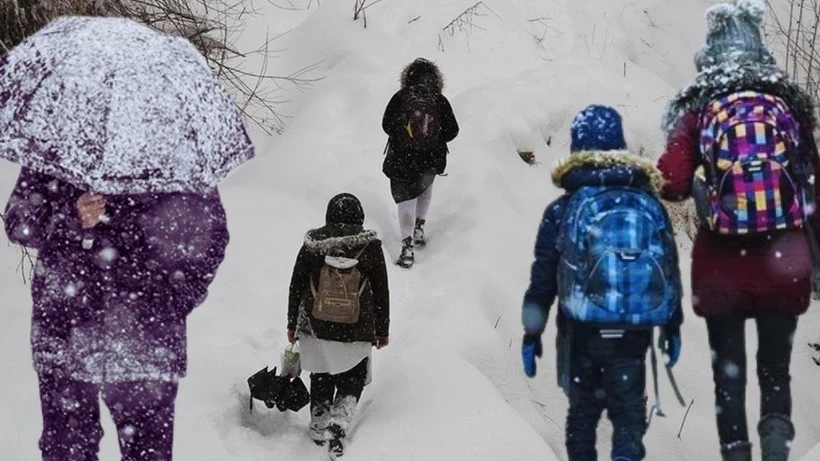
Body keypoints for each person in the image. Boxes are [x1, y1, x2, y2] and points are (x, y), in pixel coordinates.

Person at [657, 1, 820, 460]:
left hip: (720, 266)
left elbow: (670, 181)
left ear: (711, 50)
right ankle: (775, 448)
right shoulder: (786, 108)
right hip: (784, 263)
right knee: (775, 371)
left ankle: (735, 453)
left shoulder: (701, 109)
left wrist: (702, 186)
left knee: (729, 376)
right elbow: (813, 189)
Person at [4, 168, 229, 461]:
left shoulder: (172, 151)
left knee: (147, 455)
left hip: (146, 343)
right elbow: (18, 222)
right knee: (66, 453)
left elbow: (211, 235)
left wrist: (171, 301)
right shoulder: (60, 144)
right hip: (65, 336)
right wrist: (70, 216)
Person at [522, 106, 683, 461]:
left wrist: (532, 333)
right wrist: (672, 327)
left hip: (582, 329)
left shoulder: (563, 209)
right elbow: (668, 268)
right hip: (633, 328)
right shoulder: (648, 203)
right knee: (628, 415)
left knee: (582, 415)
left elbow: (543, 276)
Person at [286, 193, 390, 459]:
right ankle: (339, 423)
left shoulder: (313, 245)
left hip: (315, 324)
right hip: (356, 327)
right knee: (352, 376)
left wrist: (291, 324)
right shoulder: (371, 247)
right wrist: (382, 330)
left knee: (321, 372)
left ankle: (319, 422)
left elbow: (297, 284)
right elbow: (381, 291)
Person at [382, 57, 459, 268]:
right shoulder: (439, 100)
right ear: (435, 79)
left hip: (401, 159)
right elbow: (453, 131)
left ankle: (407, 246)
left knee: (405, 199)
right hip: (430, 159)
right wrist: (432, 137)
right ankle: (419, 227)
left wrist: (404, 135)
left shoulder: (400, 97)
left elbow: (386, 125)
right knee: (425, 186)